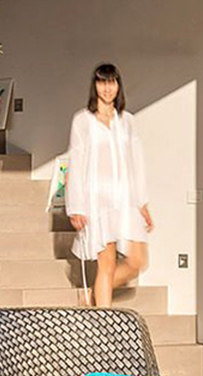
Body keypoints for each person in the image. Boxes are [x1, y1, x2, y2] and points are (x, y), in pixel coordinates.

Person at [66, 63, 153, 307]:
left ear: (118, 85)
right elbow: (76, 162)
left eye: (111, 82)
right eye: (102, 82)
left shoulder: (127, 121)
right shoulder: (83, 120)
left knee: (138, 262)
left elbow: (136, 163)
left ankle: (92, 297)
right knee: (107, 264)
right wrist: (76, 207)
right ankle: (104, 318)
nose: (107, 88)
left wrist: (142, 203)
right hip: (98, 201)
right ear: (95, 86)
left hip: (125, 199)